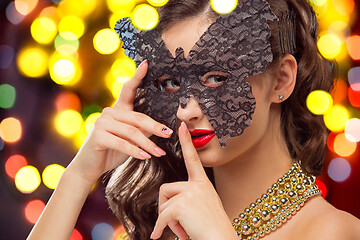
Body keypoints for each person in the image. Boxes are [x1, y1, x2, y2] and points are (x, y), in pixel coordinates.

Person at [28, 0, 360, 239]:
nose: (186, 110)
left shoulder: (334, 233)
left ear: (282, 80)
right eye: (170, 84)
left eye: (216, 78)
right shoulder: (169, 225)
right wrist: (77, 176)